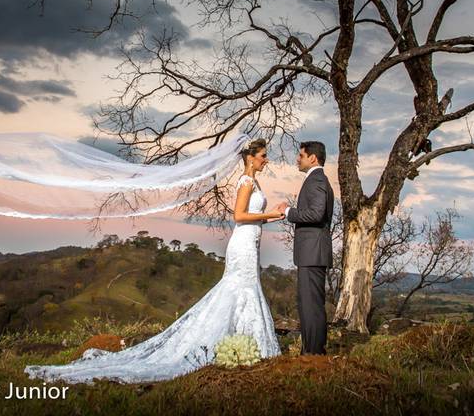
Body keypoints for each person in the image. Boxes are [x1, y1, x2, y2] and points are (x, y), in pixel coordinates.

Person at [24, 138, 286, 384]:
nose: (266, 160)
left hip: (252, 242)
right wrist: (271, 214)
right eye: (263, 156)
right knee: (239, 288)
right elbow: (239, 215)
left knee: (244, 290)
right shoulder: (245, 183)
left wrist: (274, 216)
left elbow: (253, 215)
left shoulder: (255, 183)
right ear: (250, 158)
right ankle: (241, 346)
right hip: (242, 243)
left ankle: (243, 344)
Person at [275, 141, 333, 355]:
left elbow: (316, 214)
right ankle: (312, 351)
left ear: (313, 158)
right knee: (309, 305)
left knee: (311, 306)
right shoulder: (317, 180)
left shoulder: (317, 180)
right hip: (312, 253)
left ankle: (314, 353)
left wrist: (289, 211)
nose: (297, 159)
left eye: (301, 155)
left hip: (313, 253)